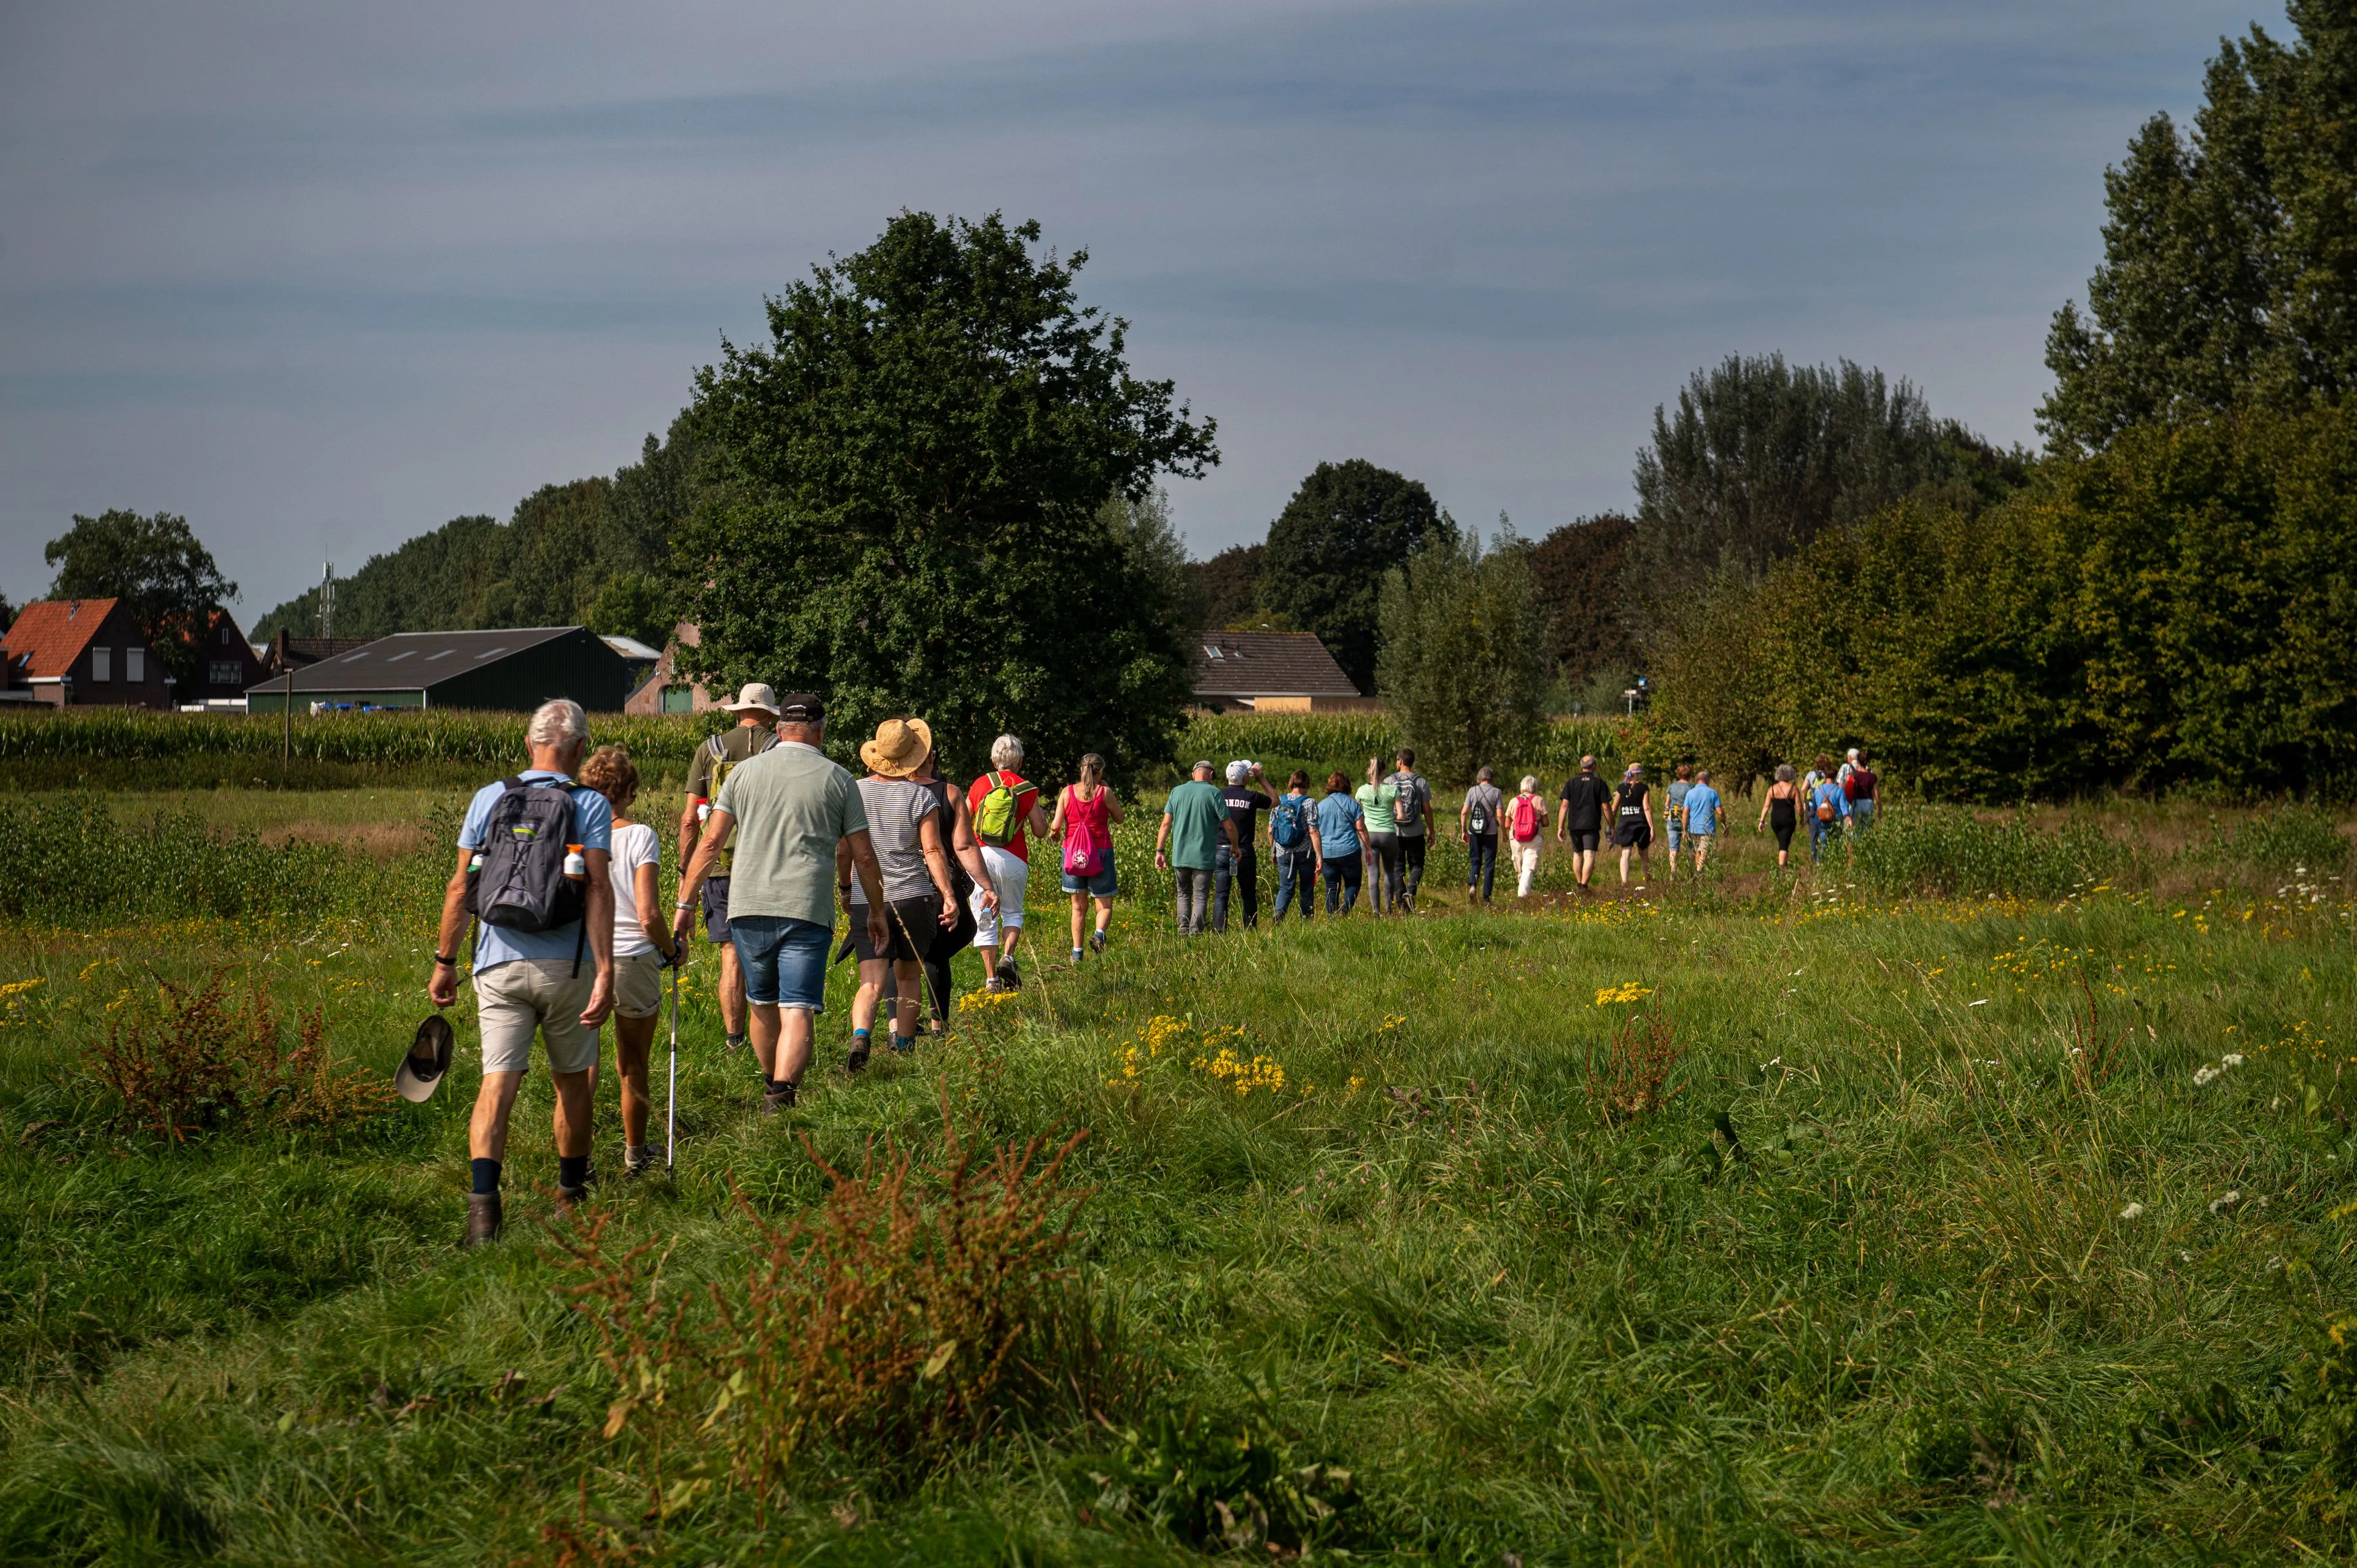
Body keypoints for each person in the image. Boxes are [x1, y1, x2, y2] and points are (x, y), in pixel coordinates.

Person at [428, 698, 616, 1246]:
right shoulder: (590, 803)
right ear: (579, 749)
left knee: (497, 1084)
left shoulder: (490, 797)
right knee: (571, 1082)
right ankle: (569, 1198)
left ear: (528, 743)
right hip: (568, 966)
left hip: (498, 963)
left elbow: (461, 887)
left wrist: (444, 961)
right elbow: (599, 889)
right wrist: (605, 971)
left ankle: (483, 1216)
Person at [672, 693, 886, 1116]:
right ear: (820, 730)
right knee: (798, 1006)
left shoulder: (743, 775)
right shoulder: (839, 778)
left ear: (781, 728)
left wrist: (686, 901)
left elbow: (711, 841)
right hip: (806, 907)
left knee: (762, 1003)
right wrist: (876, 910)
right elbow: (862, 855)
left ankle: (773, 1083)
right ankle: (781, 1096)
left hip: (747, 904)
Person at [840, 717, 985, 1069]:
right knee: (908, 977)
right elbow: (934, 851)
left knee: (871, 981)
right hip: (914, 898)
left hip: (867, 897)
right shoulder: (921, 795)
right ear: (913, 757)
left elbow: (844, 850)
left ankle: (862, 1033)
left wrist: (846, 888)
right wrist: (949, 895)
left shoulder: (853, 792)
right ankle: (903, 1047)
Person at [581, 744, 681, 1178]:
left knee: (582, 1063)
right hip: (633, 959)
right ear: (628, 790)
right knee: (633, 1063)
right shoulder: (640, 835)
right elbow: (649, 915)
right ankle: (635, 1155)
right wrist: (673, 949)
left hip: (584, 957)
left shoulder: (576, 834)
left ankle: (576, 1162)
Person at [677, 684, 781, 1054]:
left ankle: (735, 1041)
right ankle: (770, 1040)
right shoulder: (780, 749)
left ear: (737, 712)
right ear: (771, 715)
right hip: (769, 864)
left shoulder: (710, 750)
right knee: (773, 951)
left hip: (719, 866)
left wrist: (685, 872)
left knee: (731, 956)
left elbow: (691, 820)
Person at [907, 741, 994, 1029]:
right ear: (930, 756)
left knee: (895, 959)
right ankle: (938, 1025)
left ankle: (898, 1028)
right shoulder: (949, 793)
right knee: (936, 955)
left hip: (895, 885)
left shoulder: (885, 790)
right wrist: (987, 886)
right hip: (938, 887)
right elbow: (965, 846)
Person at [967, 733, 1051, 992]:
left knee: (985, 914)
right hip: (1014, 859)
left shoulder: (981, 784)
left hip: (982, 858)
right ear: (1020, 762)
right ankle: (1008, 956)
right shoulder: (1028, 789)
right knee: (1013, 912)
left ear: (994, 761)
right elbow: (1040, 831)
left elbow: (965, 820)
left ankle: (991, 978)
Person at [1050, 753, 1123, 961]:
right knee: (1105, 905)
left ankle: (1077, 954)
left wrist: (1055, 835)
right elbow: (1120, 818)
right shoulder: (1105, 792)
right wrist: (1107, 790)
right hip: (1100, 853)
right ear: (1100, 772)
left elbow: (1055, 826)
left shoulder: (1067, 792)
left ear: (1082, 770)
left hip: (1073, 854)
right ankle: (1099, 934)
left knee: (1078, 907)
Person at [1156, 760, 1236, 936]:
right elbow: (1229, 826)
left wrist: (1159, 851)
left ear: (1193, 774)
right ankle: (1196, 935)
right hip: (1203, 857)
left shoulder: (1176, 791)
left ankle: (1183, 933)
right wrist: (1235, 847)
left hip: (1180, 855)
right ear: (1212, 775)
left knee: (1183, 894)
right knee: (1200, 896)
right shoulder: (1214, 793)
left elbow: (1165, 825)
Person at [1213, 760, 1274, 932]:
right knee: (1248, 893)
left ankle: (1219, 931)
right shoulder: (1251, 797)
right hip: (1244, 851)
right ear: (1245, 778)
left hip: (1221, 849)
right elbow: (1275, 801)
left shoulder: (1218, 795)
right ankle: (1250, 931)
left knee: (1221, 895)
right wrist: (1261, 778)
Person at [1383, 749, 1433, 912]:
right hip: (1416, 831)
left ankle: (1401, 905)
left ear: (1400, 761)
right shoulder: (1421, 782)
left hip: (1395, 831)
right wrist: (1432, 831)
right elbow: (1427, 809)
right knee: (1417, 865)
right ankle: (1411, 891)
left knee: (1398, 867)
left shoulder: (1389, 781)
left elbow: (1384, 807)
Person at [1268, 768, 1320, 922]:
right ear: (1306, 784)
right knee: (1307, 888)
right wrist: (1320, 856)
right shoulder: (1309, 803)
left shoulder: (1279, 801)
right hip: (1305, 853)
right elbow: (1314, 831)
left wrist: (1273, 851)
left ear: (1292, 783)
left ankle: (1279, 913)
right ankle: (1307, 921)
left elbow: (1271, 830)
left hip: (1283, 851)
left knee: (1285, 887)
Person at [1315, 770, 1369, 913]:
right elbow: (1361, 829)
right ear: (1347, 785)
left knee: (1331, 887)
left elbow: (1315, 832)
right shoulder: (1353, 804)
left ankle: (1332, 918)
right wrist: (1368, 849)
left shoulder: (1321, 806)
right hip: (1349, 850)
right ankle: (1344, 910)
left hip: (1327, 853)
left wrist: (1317, 855)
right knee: (1353, 884)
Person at [1555, 755, 1609, 891]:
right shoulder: (1599, 783)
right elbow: (1606, 807)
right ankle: (1584, 886)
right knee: (1589, 854)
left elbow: (1564, 806)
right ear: (1594, 766)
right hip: (1591, 824)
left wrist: (1560, 827)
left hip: (1574, 824)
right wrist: (1612, 825)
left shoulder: (1571, 782)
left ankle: (1579, 883)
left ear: (1581, 766)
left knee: (1577, 854)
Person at [1356, 757, 1403, 914]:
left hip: (1369, 835)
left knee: (1372, 874)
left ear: (1370, 771)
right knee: (1389, 871)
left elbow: (1358, 815)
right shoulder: (1393, 790)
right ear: (1384, 772)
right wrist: (1391, 818)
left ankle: (1376, 912)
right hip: (1388, 834)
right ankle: (1389, 908)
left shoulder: (1362, 790)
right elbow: (1401, 816)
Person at [1460, 765, 1503, 904]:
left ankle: (1473, 886)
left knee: (1475, 860)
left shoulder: (1472, 791)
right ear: (1492, 778)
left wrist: (1464, 831)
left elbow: (1464, 812)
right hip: (1491, 833)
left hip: (1474, 831)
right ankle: (1486, 897)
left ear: (1480, 777)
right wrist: (1504, 832)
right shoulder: (1497, 792)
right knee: (1490, 863)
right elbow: (1500, 815)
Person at [1613, 763, 1654, 886]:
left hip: (1625, 823)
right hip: (1641, 824)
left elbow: (1614, 808)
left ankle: (1624, 881)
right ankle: (1648, 878)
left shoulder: (1621, 788)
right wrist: (1652, 827)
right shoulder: (1643, 788)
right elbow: (1646, 808)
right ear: (1638, 774)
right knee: (1643, 853)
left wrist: (1611, 825)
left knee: (1626, 853)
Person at [1507, 774, 1547, 898]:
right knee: (1529, 867)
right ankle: (1523, 896)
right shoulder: (1539, 800)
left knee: (1519, 866)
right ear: (1534, 787)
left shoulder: (1513, 801)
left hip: (1516, 838)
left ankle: (1523, 893)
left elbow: (1507, 823)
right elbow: (1546, 823)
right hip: (1534, 837)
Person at [1757, 762, 1800, 870]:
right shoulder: (1793, 789)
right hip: (1788, 820)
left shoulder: (1772, 789)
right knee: (1784, 844)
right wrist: (1803, 818)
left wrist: (1761, 821)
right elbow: (1799, 807)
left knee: (1783, 842)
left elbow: (1766, 806)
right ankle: (1782, 868)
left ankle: (1785, 864)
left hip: (1775, 820)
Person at [1807, 757, 1849, 862]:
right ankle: (1835, 864)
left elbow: (1815, 807)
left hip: (1821, 821)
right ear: (1835, 777)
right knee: (1836, 844)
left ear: (1825, 776)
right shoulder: (1839, 790)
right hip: (1836, 821)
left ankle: (1820, 865)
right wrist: (1848, 819)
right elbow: (1844, 808)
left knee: (1823, 844)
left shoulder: (1818, 790)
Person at [1682, 768, 1722, 873]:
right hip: (1708, 828)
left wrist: (1684, 830)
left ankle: (1699, 873)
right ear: (1707, 779)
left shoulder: (1690, 793)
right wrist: (1725, 824)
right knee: (1704, 851)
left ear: (1697, 780)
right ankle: (1699, 871)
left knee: (1698, 852)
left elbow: (1685, 813)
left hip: (1694, 827)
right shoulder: (1713, 793)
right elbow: (1720, 812)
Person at [1664, 764, 1693, 876]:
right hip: (1687, 820)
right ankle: (1689, 872)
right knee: (1690, 847)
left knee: (1673, 848)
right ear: (1690, 775)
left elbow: (1667, 803)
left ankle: (1673, 872)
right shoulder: (1691, 787)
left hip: (1673, 818)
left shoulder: (1672, 787)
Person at [1844, 750, 1879, 833]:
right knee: (1866, 831)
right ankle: (1865, 845)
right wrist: (1880, 809)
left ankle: (1852, 846)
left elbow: (1844, 787)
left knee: (1851, 830)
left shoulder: (1854, 774)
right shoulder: (1872, 777)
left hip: (1857, 803)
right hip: (1869, 804)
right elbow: (1876, 794)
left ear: (1858, 761)